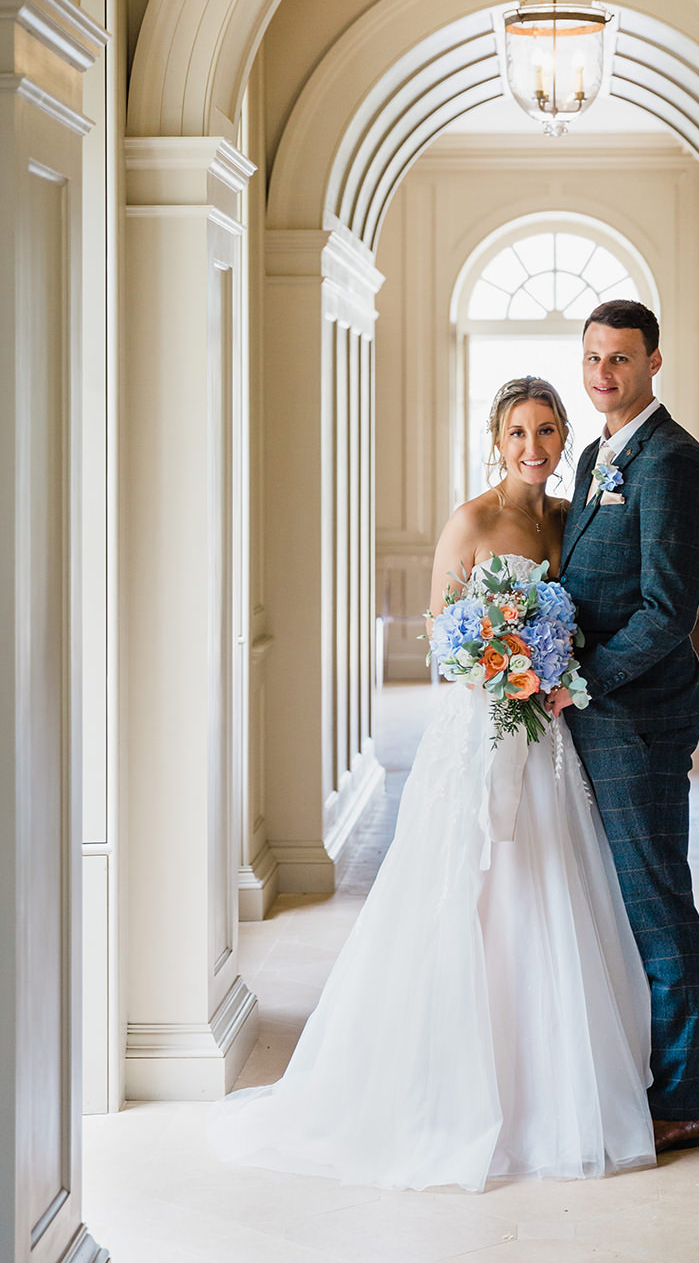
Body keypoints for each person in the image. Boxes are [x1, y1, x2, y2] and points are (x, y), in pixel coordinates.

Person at [206, 376, 656, 1191]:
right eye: (518, 431)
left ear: (564, 438)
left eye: (548, 430)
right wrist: (502, 666)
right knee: (468, 891)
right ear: (495, 438)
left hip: (548, 734)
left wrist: (546, 666)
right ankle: (450, 1088)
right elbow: (440, 638)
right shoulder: (472, 521)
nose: (534, 447)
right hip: (480, 730)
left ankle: (550, 1083)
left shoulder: (569, 518)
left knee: (552, 889)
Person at [552, 300, 699, 1155]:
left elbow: (665, 612)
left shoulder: (674, 463)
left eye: (620, 359)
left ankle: (680, 1100)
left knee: (656, 907)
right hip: (586, 711)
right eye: (592, 358)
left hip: (636, 720)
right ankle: (626, 1071)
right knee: (605, 906)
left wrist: (580, 678)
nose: (602, 374)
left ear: (655, 362)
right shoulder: (597, 455)